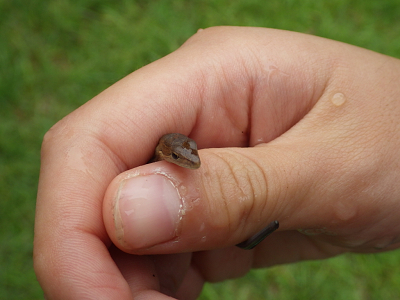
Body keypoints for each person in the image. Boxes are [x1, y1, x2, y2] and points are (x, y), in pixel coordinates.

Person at [34, 26, 400, 299]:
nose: (192, 161)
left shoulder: (182, 152)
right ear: (166, 154)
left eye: (190, 151)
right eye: (180, 156)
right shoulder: (157, 156)